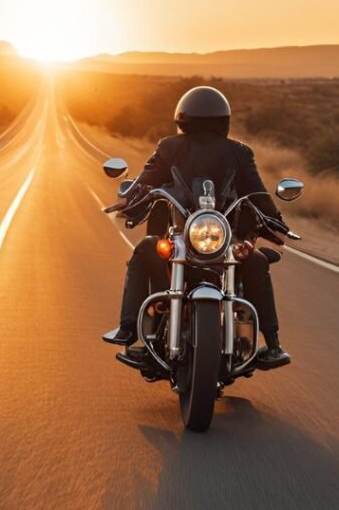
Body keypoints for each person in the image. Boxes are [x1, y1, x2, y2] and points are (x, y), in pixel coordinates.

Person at [102, 85, 291, 370]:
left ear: (182, 118)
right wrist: (133, 199)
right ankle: (131, 330)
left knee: (254, 258)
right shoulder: (233, 151)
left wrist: (274, 222)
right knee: (149, 250)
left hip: (220, 238)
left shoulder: (179, 147)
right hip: (181, 235)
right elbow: (148, 180)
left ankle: (273, 343)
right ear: (224, 120)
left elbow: (256, 192)